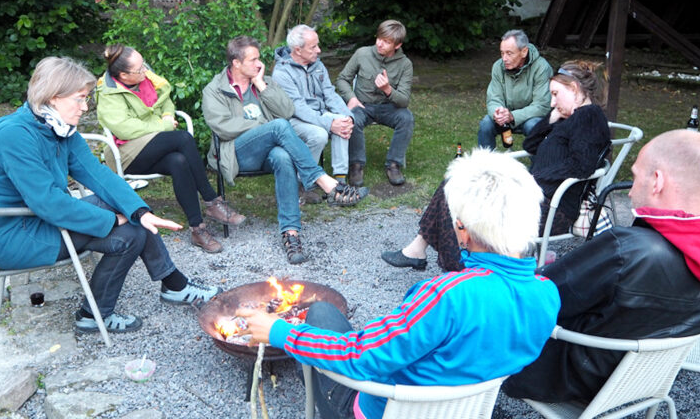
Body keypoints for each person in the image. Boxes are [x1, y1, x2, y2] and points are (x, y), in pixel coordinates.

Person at [237, 149, 560, 419]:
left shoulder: (449, 295)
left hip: (384, 409)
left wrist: (280, 331)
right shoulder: (547, 294)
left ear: (463, 231)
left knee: (320, 314)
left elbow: (361, 357)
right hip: (468, 408)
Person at [0, 57, 220, 334]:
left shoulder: (58, 127)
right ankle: (111, 308)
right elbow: (47, 202)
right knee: (130, 233)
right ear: (54, 98)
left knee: (135, 222)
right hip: (16, 236)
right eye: (80, 99)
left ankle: (162, 289)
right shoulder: (15, 134)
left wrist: (140, 212)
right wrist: (110, 219)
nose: (86, 107)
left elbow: (98, 175)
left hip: (41, 221)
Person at [503, 129, 700, 403]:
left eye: (635, 177)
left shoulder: (627, 250)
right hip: (640, 384)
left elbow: (533, 297)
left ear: (657, 181)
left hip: (563, 377)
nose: (632, 191)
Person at [383, 60, 610, 271]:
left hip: (552, 208)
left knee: (461, 190)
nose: (552, 102)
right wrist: (550, 120)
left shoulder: (588, 117)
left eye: (555, 94)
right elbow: (531, 144)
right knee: (456, 182)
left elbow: (582, 165)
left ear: (574, 88)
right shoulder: (571, 117)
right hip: (535, 198)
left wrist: (530, 181)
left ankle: (451, 265)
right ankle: (425, 251)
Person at [202, 36, 368, 265]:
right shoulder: (215, 90)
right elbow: (222, 127)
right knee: (279, 127)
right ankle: (323, 181)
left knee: (282, 156)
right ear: (236, 63)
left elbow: (287, 110)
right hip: (236, 153)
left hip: (268, 151)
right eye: (253, 60)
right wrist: (264, 128)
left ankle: (291, 235)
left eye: (259, 58)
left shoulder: (264, 81)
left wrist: (261, 85)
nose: (259, 64)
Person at [96, 44, 244, 254]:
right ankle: (212, 201)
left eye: (143, 65)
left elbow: (165, 101)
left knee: (178, 161)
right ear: (123, 75)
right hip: (126, 152)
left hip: (155, 142)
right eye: (139, 70)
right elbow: (125, 129)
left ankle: (197, 229)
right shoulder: (109, 92)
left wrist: (167, 115)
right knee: (183, 139)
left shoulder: (146, 78)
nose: (145, 71)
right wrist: (163, 125)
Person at [273, 25, 354, 202]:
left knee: (342, 122)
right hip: (292, 120)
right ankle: (303, 184)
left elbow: (330, 94)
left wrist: (348, 116)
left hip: (318, 114)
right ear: (297, 50)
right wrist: (327, 123)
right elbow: (298, 108)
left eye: (317, 45)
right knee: (319, 134)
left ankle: (339, 182)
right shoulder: (282, 72)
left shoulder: (317, 65)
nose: (319, 50)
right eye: (313, 47)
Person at [336, 19, 414, 186]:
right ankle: (356, 165)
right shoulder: (362, 54)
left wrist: (387, 89)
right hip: (363, 106)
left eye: (386, 42)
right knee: (352, 118)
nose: (380, 44)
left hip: (388, 108)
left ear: (397, 45)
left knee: (406, 118)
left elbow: (404, 100)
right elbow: (342, 79)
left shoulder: (405, 64)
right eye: (379, 39)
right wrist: (351, 98)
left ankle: (394, 164)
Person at [478, 29, 553, 150]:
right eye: (502, 53)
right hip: (506, 116)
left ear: (524, 52)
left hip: (531, 117)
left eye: (509, 53)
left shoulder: (542, 68)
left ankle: (539, 167)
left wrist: (512, 116)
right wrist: (498, 112)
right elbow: (493, 98)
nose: (504, 58)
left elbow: (542, 105)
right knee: (486, 123)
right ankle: (484, 165)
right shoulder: (498, 67)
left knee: (533, 126)